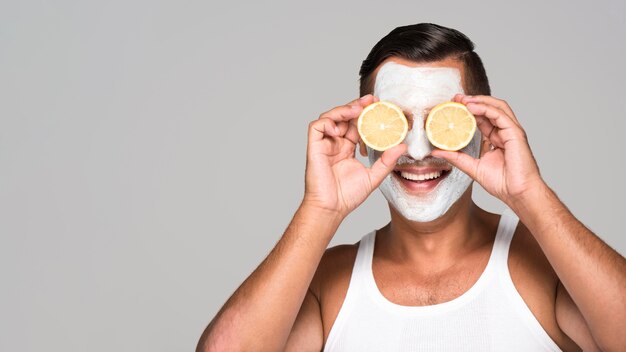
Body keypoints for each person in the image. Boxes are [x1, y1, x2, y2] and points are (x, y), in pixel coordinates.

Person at [196, 23, 625, 351]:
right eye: (396, 122)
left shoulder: (543, 264)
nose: (418, 151)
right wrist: (320, 211)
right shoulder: (329, 285)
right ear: (363, 135)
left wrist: (532, 197)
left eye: (442, 122)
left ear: (485, 131)